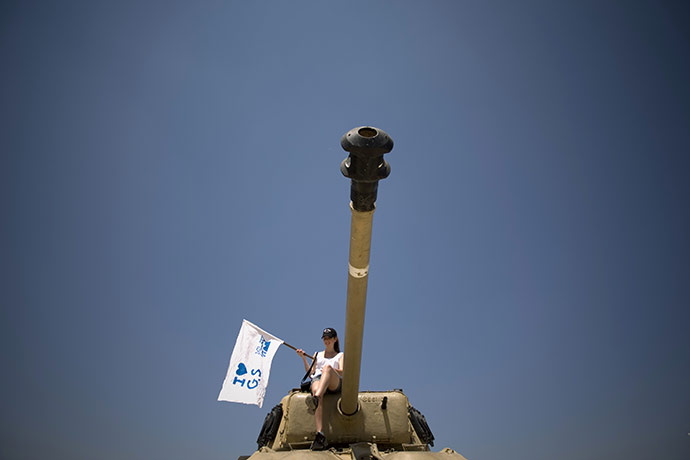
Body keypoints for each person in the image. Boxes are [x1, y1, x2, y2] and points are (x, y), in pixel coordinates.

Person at [296, 327, 344, 451]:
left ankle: (316, 397)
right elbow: (311, 373)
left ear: (335, 339)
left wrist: (328, 370)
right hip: (317, 379)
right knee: (317, 390)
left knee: (327, 368)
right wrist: (304, 358)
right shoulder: (317, 354)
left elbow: (343, 372)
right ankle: (320, 434)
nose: (326, 341)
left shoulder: (340, 355)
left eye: (329, 338)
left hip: (333, 381)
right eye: (325, 338)